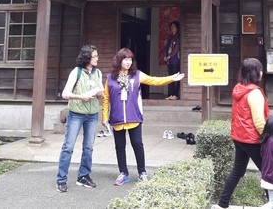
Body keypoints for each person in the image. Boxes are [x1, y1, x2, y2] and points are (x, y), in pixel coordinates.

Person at [102, 47, 185, 185]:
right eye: (125, 59)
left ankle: (142, 172)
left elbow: (155, 81)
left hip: (133, 116)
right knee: (119, 146)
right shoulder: (110, 78)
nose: (128, 62)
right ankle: (123, 173)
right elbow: (106, 99)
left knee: (137, 144)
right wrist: (104, 117)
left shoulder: (137, 75)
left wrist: (171, 78)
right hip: (117, 118)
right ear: (119, 60)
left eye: (130, 60)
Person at [212, 57, 269, 209]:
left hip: (239, 137)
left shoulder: (239, 88)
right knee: (267, 171)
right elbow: (258, 121)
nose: (262, 72)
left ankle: (222, 203)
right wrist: (268, 137)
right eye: (260, 70)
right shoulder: (254, 93)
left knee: (237, 171)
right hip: (253, 140)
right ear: (255, 73)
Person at [55, 44, 104, 193]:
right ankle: (61, 179)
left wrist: (100, 94)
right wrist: (80, 97)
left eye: (97, 56)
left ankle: (83, 176)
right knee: (68, 147)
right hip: (76, 113)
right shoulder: (76, 72)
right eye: (95, 56)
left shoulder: (98, 73)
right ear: (87, 57)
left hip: (93, 114)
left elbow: (101, 92)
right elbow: (65, 94)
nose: (97, 58)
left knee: (88, 147)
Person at [163, 20, 181, 100]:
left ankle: (175, 95)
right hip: (169, 60)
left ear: (177, 28)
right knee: (170, 77)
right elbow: (166, 48)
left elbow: (176, 48)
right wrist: (165, 56)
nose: (172, 29)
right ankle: (170, 94)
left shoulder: (178, 37)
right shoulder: (170, 38)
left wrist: (169, 56)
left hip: (175, 60)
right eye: (171, 27)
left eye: (173, 27)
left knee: (175, 77)